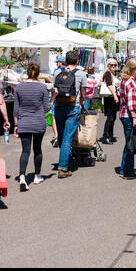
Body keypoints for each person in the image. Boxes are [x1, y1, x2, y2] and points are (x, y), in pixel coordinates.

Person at [13, 63, 51, 191]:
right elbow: (47, 108)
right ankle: (37, 176)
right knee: (37, 149)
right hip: (38, 122)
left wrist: (16, 125)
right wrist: (54, 97)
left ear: (27, 72)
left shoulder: (19, 87)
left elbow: (15, 110)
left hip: (24, 122)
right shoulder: (42, 87)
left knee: (25, 151)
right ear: (38, 73)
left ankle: (22, 177)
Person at [52, 50, 87, 179]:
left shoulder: (57, 72)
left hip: (59, 106)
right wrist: (82, 102)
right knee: (68, 138)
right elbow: (83, 93)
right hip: (73, 107)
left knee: (61, 137)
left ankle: (65, 160)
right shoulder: (81, 74)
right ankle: (63, 167)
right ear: (77, 61)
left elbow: (54, 90)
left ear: (66, 60)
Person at [119, 58, 136, 179]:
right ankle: (128, 172)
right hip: (129, 116)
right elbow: (131, 102)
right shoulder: (130, 81)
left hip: (126, 115)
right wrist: (134, 117)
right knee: (131, 144)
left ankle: (124, 168)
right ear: (131, 69)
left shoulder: (126, 80)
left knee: (129, 143)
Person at [101, 59, 120, 144]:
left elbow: (112, 84)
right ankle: (105, 136)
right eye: (111, 65)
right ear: (108, 65)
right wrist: (115, 95)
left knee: (113, 117)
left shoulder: (112, 74)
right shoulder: (108, 73)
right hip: (109, 97)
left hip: (112, 98)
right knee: (110, 118)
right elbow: (109, 84)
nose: (113, 67)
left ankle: (110, 135)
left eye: (115, 65)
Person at [51, 56, 66, 148]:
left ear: (61, 62)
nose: (57, 64)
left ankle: (56, 136)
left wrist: (52, 98)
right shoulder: (71, 71)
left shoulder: (57, 71)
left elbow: (54, 87)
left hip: (58, 98)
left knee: (54, 116)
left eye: (58, 62)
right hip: (69, 99)